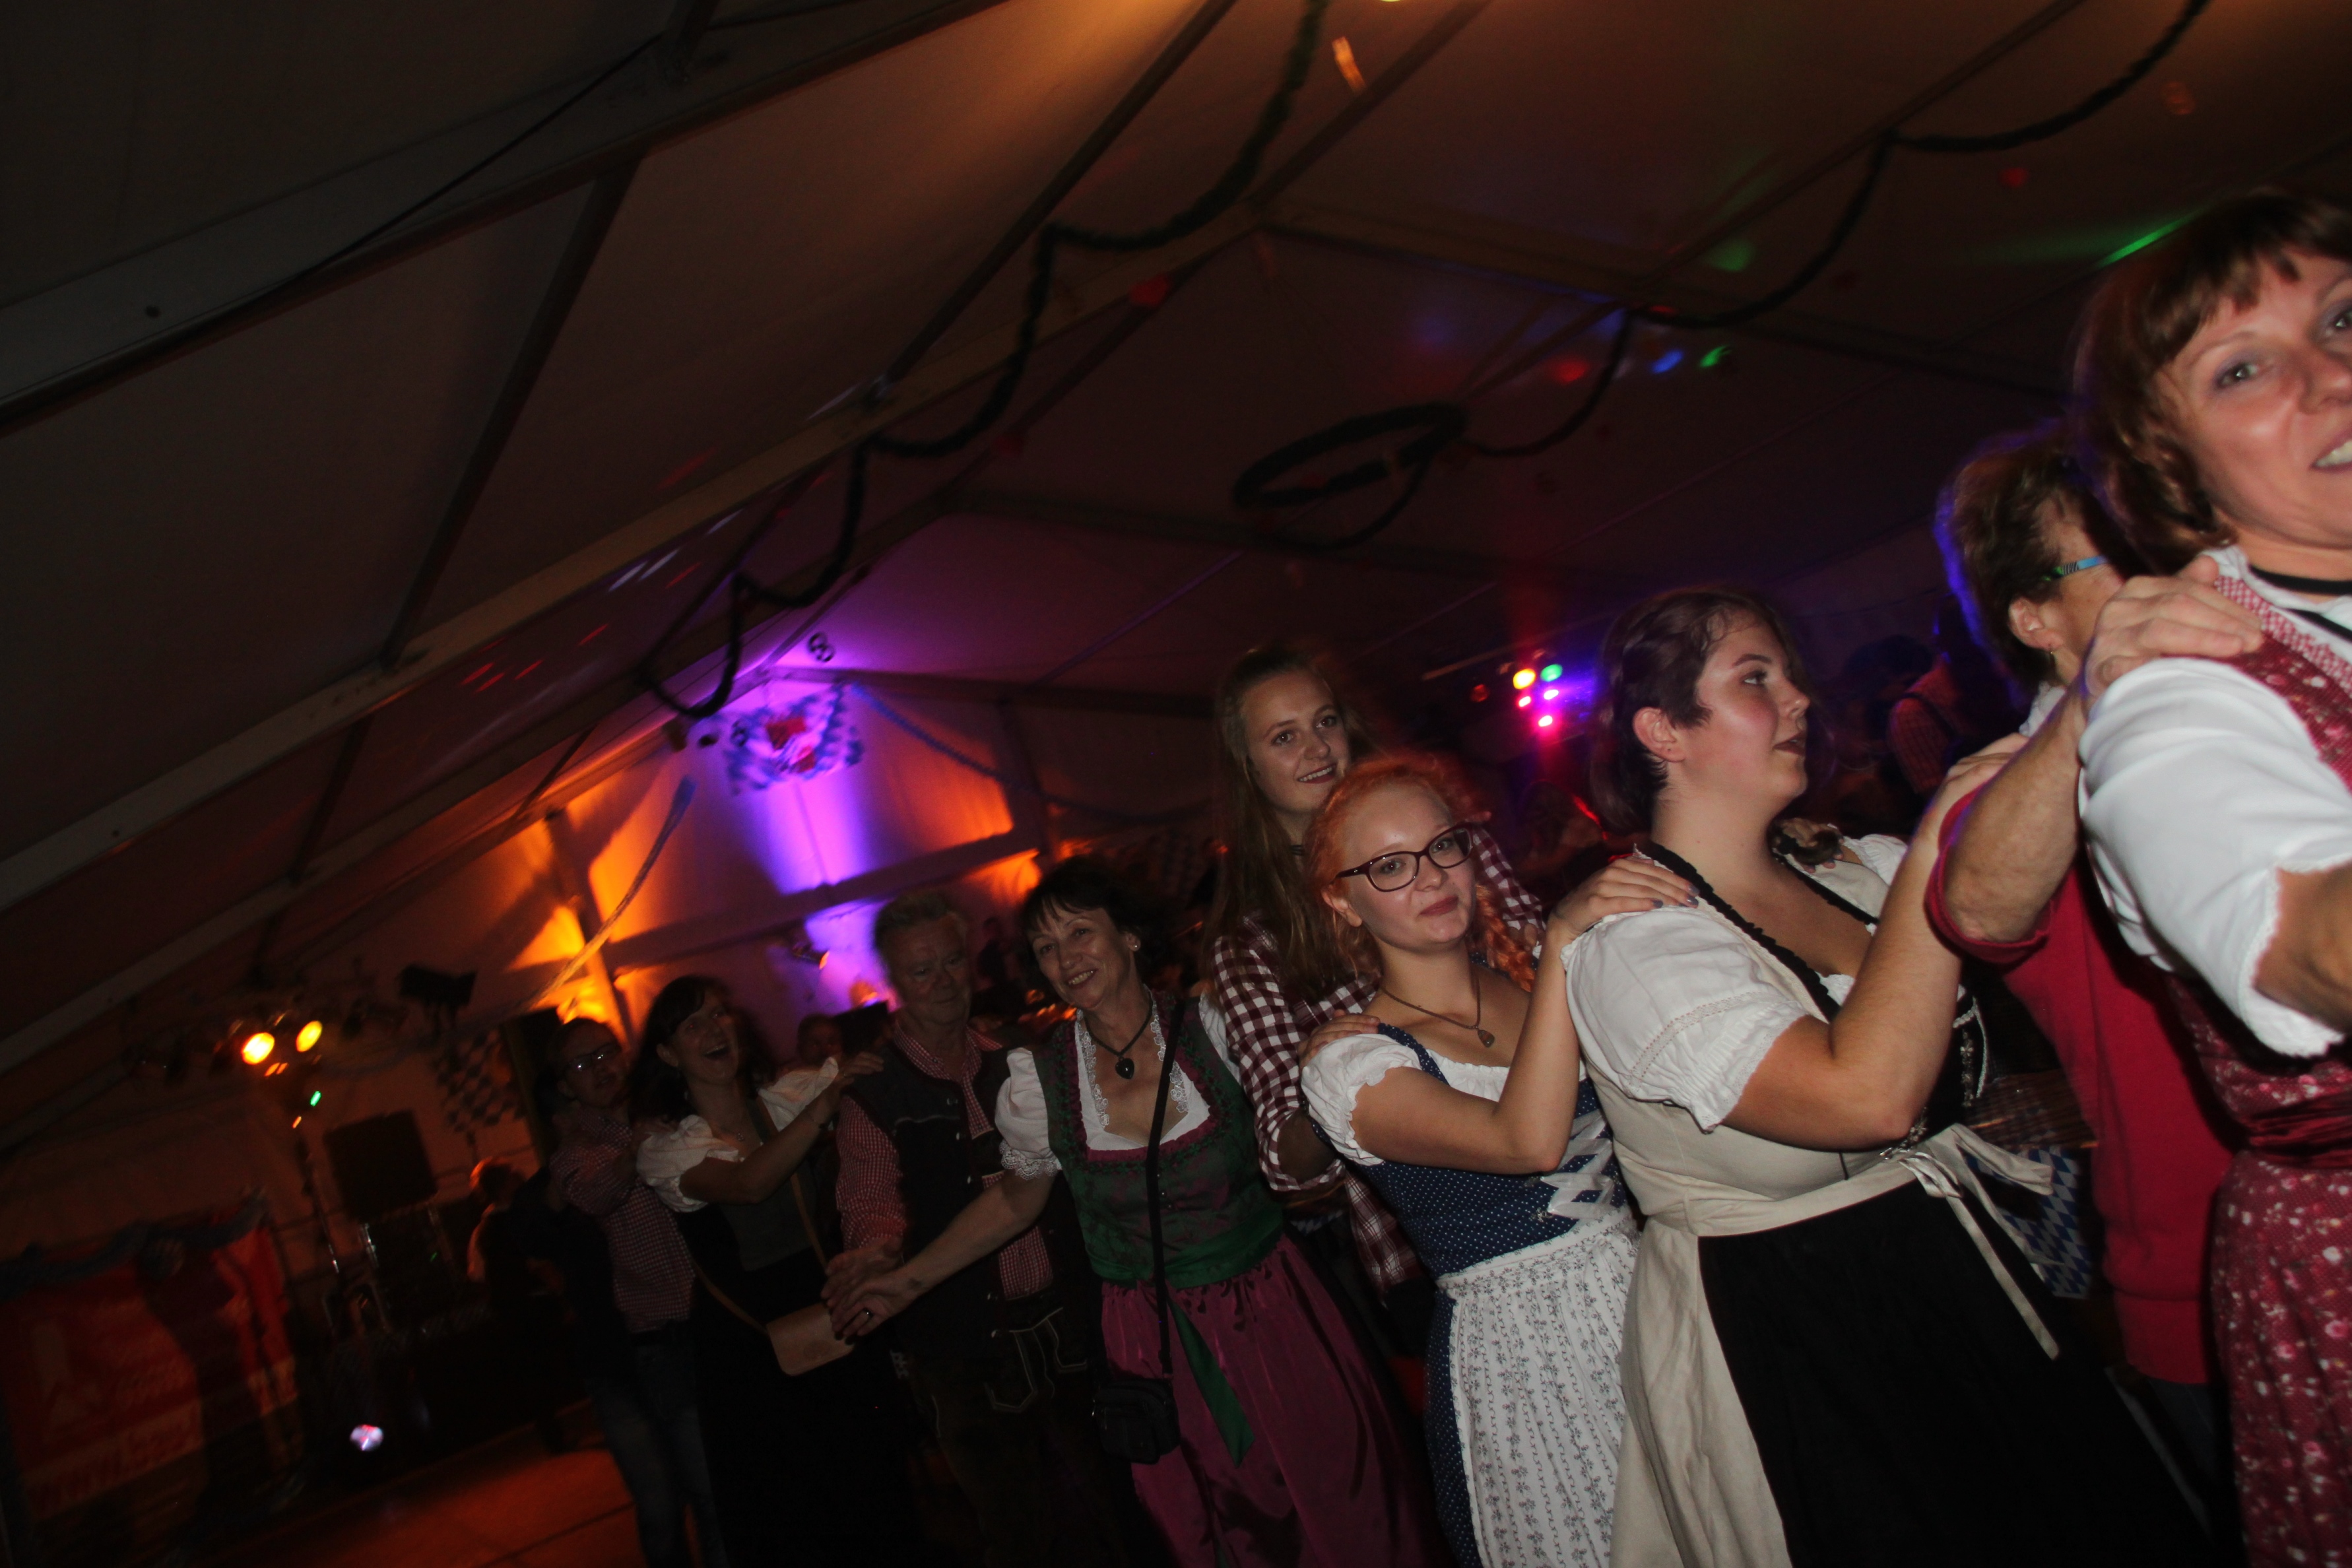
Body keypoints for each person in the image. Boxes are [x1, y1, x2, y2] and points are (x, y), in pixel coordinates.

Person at [1563, 585, 2207, 1567]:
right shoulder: (1640, 949)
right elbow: (1866, 1098)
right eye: (1754, 679)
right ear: (1664, 731)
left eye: (1788, 674)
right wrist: (1940, 849)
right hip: (1805, 1333)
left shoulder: (1856, 867)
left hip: (1954, 1269)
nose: (1798, 698)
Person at [830, 857, 1445, 1568]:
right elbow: (1014, 1201)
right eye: (1046, 948)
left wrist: (1328, 1086)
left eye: (1080, 933)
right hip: (1151, 1340)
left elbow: (1297, 1162)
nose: (1065, 959)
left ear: (1128, 935)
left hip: (1273, 1310)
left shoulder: (1216, 1028)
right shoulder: (1041, 1079)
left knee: (1341, 1497)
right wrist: (904, 1282)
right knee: (1217, 1523)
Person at [2071, 187, 2352, 1567]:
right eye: (2242, 369)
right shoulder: (2175, 696)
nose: (2329, 375)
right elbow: (2318, 955)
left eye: (2342, 320)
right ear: (2169, 466)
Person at [1928, 424, 2254, 1510]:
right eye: (2112, 557)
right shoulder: (2002, 793)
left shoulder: (2249, 718)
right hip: (2204, 1284)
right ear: (2033, 618)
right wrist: (2094, 695)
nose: (2155, 573)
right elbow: (1981, 904)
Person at [1200, 640, 1646, 1346]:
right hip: (1441, 1256)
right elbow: (1288, 1170)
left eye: (1325, 721)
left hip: (1602, 1182)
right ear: (1247, 766)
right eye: (1284, 737)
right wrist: (1332, 1086)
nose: (1317, 748)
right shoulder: (1253, 941)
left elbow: (1548, 972)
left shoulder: (1447, 843)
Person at [1296, 756, 1653, 1566]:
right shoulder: (1350, 1065)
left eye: (1443, 846)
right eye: (1390, 866)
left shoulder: (1528, 986)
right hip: (1528, 1352)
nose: (1431, 876)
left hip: (1650, 1292)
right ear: (1340, 900)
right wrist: (1564, 942)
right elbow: (1524, 1142)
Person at [826, 891, 1118, 1568]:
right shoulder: (876, 1094)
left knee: (1121, 1500)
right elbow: (871, 1202)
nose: (944, 981)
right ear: (895, 983)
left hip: (1069, 1320)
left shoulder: (1017, 1055)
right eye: (922, 970)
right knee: (1019, 1534)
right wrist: (876, 1254)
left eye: (953, 961)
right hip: (967, 1350)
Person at [630, 976, 921, 1568]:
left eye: (719, 1014)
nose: (715, 1030)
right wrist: (823, 1108)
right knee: (793, 1510)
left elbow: (865, 1077)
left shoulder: (784, 1099)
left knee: (872, 1491)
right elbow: (748, 1183)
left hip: (831, 1313)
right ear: (668, 1053)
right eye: (693, 1024)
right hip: (748, 1350)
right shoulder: (668, 1148)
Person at [544, 1019, 729, 1568]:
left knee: (740, 1482)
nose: (601, 1068)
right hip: (664, 1343)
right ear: (566, 1084)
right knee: (695, 1499)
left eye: (607, 1053)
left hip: (720, 1319)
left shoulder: (666, 1110)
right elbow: (596, 1193)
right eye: (583, 1064)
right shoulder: (578, 1152)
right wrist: (638, 1151)